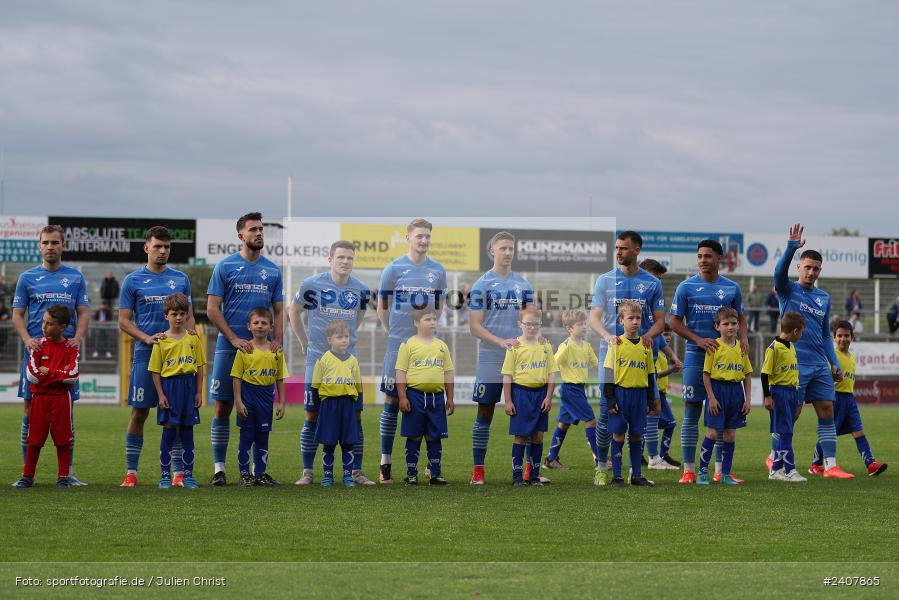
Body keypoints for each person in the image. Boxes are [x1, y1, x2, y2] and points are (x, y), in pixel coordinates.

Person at [768, 223, 853, 479]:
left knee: (827, 410)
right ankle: (775, 459)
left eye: (816, 268)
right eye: (807, 267)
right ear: (799, 267)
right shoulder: (787, 290)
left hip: (819, 364)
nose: (811, 272)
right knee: (791, 415)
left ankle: (830, 465)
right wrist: (791, 248)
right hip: (794, 365)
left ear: (820, 270)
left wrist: (833, 362)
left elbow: (826, 334)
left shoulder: (823, 297)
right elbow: (778, 272)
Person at [207, 212, 284, 486]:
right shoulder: (225, 266)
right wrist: (233, 338)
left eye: (261, 229)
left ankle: (256, 471)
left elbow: (279, 310)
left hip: (261, 352)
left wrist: (278, 340)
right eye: (253, 229)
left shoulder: (273, 270)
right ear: (241, 235)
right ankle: (219, 469)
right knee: (222, 407)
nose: (259, 233)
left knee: (258, 410)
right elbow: (212, 309)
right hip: (230, 348)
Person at [289, 240, 374, 486]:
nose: (345, 262)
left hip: (348, 363)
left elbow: (359, 316)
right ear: (330, 259)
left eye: (349, 258)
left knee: (355, 417)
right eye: (341, 257)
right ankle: (307, 471)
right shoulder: (311, 284)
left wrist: (346, 339)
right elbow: (293, 311)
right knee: (311, 415)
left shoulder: (361, 290)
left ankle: (356, 472)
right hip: (317, 359)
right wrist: (304, 341)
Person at [11, 224, 90, 486]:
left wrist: (78, 338)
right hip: (36, 353)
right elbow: (17, 314)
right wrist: (27, 340)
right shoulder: (27, 277)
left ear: (63, 246)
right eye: (45, 242)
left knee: (67, 411)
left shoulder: (75, 277)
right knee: (29, 409)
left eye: (55, 242)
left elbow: (84, 311)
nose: (50, 247)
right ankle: (27, 473)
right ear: (39, 246)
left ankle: (68, 472)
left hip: (64, 354)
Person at [118, 226, 195, 488]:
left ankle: (178, 474)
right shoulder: (132, 281)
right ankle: (131, 472)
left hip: (177, 360)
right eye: (157, 247)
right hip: (145, 355)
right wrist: (146, 338)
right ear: (146, 248)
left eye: (167, 247)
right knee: (139, 412)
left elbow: (189, 316)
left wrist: (191, 342)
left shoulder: (181, 279)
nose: (162, 251)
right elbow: (124, 320)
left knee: (175, 415)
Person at [668, 239, 748, 484]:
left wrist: (744, 339)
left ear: (719, 258)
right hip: (696, 356)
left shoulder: (732, 288)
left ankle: (720, 471)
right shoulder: (685, 287)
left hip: (724, 359)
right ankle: (689, 470)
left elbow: (741, 318)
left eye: (708, 256)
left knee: (722, 417)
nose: (703, 260)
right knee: (691, 413)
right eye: (700, 256)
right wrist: (699, 340)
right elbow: (673, 322)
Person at [589, 231, 665, 486]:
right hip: (612, 355)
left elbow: (660, 321)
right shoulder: (605, 280)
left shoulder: (652, 283)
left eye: (623, 248)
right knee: (605, 416)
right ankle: (602, 467)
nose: (619, 252)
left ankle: (636, 472)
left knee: (640, 420)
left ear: (636, 250)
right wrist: (607, 336)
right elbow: (594, 316)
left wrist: (648, 337)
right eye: (617, 248)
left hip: (641, 356)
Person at [376, 218, 446, 484]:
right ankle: (385, 463)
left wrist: (426, 332)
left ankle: (431, 464)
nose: (424, 240)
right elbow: (382, 307)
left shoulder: (437, 270)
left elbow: (439, 307)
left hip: (426, 348)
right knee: (392, 403)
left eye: (427, 236)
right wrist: (394, 332)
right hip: (398, 345)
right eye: (419, 236)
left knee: (429, 402)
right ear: (408, 237)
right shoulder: (393, 269)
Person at [468, 231, 535, 485]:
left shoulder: (524, 285)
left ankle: (529, 470)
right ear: (492, 252)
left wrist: (534, 342)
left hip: (521, 358)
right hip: (491, 357)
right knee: (484, 412)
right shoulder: (481, 285)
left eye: (511, 248)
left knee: (526, 413)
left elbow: (531, 320)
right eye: (503, 248)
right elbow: (474, 326)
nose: (507, 252)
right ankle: (478, 470)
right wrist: (500, 342)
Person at [808, 320, 887, 477]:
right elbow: (823, 374)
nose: (843, 339)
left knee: (859, 430)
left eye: (846, 335)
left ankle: (871, 464)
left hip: (850, 399)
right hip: (834, 398)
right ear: (833, 337)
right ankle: (815, 464)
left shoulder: (852, 357)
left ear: (852, 337)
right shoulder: (831, 356)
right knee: (830, 432)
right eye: (839, 336)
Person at [12, 306, 79, 489]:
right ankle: (27, 476)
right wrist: (59, 374)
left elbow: (72, 376)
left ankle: (63, 477)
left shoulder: (70, 347)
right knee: (34, 439)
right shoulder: (37, 346)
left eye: (49, 324)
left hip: (61, 399)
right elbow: (32, 375)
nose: (44, 327)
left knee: (63, 440)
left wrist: (48, 371)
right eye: (43, 322)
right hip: (40, 398)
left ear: (62, 327)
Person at [148, 293, 206, 489]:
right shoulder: (161, 340)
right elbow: (155, 371)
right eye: (174, 314)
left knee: (188, 432)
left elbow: (200, 367)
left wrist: (199, 392)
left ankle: (188, 475)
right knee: (169, 431)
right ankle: (165, 475)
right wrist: (161, 395)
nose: (179, 317)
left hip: (188, 386)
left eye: (182, 313)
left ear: (187, 315)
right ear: (166, 316)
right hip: (170, 387)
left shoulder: (193, 338)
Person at [601, 300, 658, 487]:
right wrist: (610, 399)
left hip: (639, 396)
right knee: (618, 435)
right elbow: (608, 373)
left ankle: (636, 475)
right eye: (630, 318)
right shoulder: (616, 344)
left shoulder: (646, 345)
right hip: (621, 394)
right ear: (621, 321)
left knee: (636, 435)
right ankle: (617, 476)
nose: (635, 322)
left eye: (638, 318)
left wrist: (650, 400)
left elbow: (650, 375)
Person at [396, 307, 455, 486]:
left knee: (434, 437)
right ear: (416, 323)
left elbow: (448, 373)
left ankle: (435, 474)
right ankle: (411, 474)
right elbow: (400, 372)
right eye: (427, 319)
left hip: (436, 398)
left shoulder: (442, 346)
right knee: (414, 436)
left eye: (434, 319)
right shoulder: (408, 345)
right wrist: (402, 397)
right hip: (415, 397)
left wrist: (450, 397)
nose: (432, 322)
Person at [232, 307, 287, 487]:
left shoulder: (276, 351)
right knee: (247, 437)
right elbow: (237, 377)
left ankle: (260, 474)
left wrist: (282, 403)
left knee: (263, 437)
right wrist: (238, 402)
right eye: (256, 323)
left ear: (271, 327)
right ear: (249, 326)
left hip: (266, 398)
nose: (260, 326)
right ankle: (245, 475)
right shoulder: (244, 350)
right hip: (248, 396)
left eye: (264, 323)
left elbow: (280, 378)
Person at [697, 307, 752, 485]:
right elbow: (706, 375)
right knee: (712, 433)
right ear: (717, 326)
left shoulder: (742, 348)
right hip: (717, 391)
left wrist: (748, 399)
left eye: (734, 323)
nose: (730, 327)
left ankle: (725, 474)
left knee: (730, 434)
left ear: (738, 325)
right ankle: (702, 472)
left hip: (736, 392)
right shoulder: (713, 346)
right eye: (726, 323)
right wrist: (711, 397)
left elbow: (747, 375)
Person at [502, 305, 556, 487]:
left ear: (540, 324)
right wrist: (508, 400)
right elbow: (507, 376)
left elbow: (551, 373)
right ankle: (517, 476)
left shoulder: (545, 346)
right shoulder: (514, 347)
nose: (532, 327)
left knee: (538, 436)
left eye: (536, 324)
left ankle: (534, 476)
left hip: (540, 394)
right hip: (521, 394)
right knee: (521, 436)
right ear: (520, 324)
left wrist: (548, 397)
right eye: (528, 324)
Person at [637, 258, 683, 470]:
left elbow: (659, 337)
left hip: (649, 369)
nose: (658, 283)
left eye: (660, 279)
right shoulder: (636, 304)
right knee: (623, 416)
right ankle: (604, 458)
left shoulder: (652, 304)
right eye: (656, 277)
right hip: (634, 367)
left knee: (654, 410)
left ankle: (654, 458)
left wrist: (672, 355)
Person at [310, 320, 364, 488]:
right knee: (329, 442)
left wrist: (358, 409)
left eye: (346, 336)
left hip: (348, 405)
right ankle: (328, 476)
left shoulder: (353, 361)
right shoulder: (323, 360)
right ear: (329, 340)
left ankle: (348, 476)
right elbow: (315, 387)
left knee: (348, 443)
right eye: (339, 337)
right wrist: (318, 409)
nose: (344, 340)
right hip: (329, 406)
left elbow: (358, 387)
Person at [543, 309, 599, 470]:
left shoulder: (586, 346)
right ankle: (600, 460)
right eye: (580, 324)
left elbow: (596, 364)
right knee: (591, 421)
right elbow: (553, 364)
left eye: (585, 324)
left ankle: (551, 459)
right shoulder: (566, 346)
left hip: (579, 389)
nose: (584, 327)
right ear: (569, 328)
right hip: (570, 389)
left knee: (563, 424)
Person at [762, 311, 806, 482]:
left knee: (785, 431)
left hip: (791, 392)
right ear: (795, 331)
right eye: (801, 332)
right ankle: (790, 471)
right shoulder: (773, 348)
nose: (801, 335)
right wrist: (767, 396)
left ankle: (775, 470)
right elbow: (764, 373)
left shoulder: (791, 346)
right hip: (779, 392)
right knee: (786, 432)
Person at [647, 325, 681, 470]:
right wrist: (672, 370)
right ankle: (662, 454)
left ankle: (659, 455)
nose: (667, 337)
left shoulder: (664, 355)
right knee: (670, 423)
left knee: (648, 424)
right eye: (664, 334)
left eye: (669, 335)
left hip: (661, 394)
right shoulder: (656, 355)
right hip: (656, 394)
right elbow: (657, 375)